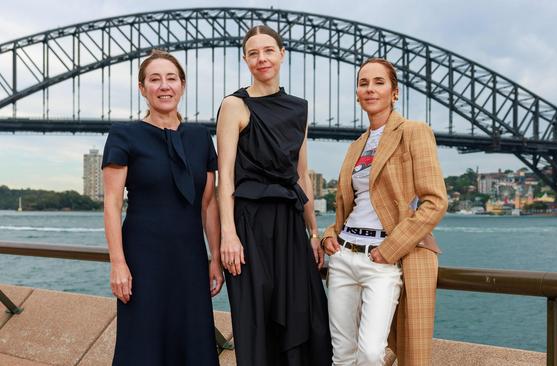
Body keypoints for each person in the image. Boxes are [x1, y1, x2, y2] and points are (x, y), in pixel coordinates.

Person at [216, 25, 332, 366]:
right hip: (249, 225)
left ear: (282, 54)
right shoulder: (234, 105)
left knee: (305, 315)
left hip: (291, 226)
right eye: (253, 53)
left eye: (268, 51)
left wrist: (314, 232)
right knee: (257, 319)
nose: (261, 58)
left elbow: (301, 175)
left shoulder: (299, 109)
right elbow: (226, 178)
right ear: (245, 59)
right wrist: (228, 235)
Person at [322, 57, 448, 366]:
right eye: (363, 83)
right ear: (357, 94)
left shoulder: (413, 132)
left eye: (379, 82)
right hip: (344, 257)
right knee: (342, 355)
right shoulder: (357, 145)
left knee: (370, 353)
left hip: (382, 258)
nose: (370, 89)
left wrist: (390, 249)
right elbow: (349, 207)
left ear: (394, 92)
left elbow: (435, 201)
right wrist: (329, 235)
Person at [102, 49, 222, 366]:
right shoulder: (123, 135)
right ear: (142, 88)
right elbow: (112, 205)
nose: (164, 86)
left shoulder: (200, 137)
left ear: (182, 85)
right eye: (154, 79)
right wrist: (118, 263)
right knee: (143, 345)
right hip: (143, 258)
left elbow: (208, 204)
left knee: (193, 341)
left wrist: (216, 258)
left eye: (171, 78)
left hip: (191, 258)